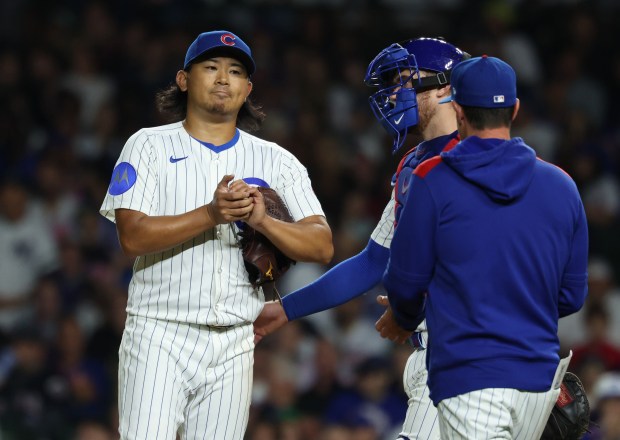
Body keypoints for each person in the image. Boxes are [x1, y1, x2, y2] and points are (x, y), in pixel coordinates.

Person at [99, 30, 333, 440]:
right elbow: (131, 237)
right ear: (184, 80)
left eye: (235, 71)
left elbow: (321, 244)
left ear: (248, 88)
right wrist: (211, 213)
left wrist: (263, 222)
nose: (223, 78)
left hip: (235, 341)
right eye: (210, 67)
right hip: (159, 331)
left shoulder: (277, 159)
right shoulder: (148, 146)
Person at [254, 37, 470, 439]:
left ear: (445, 86)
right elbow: (373, 261)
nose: (395, 93)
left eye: (406, 79)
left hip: (463, 352)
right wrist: (285, 310)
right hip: (443, 352)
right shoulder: (414, 165)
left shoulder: (478, 156)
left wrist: (411, 304)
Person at [379, 55, 589, 439]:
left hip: (469, 374)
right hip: (539, 383)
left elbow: (404, 286)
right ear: (515, 109)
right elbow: (572, 296)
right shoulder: (562, 185)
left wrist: (407, 317)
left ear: (457, 109)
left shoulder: (431, 178)